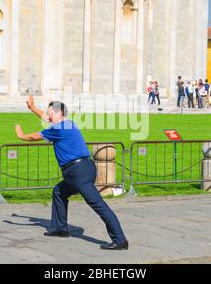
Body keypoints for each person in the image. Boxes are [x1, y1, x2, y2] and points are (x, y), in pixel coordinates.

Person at [15, 96, 129, 250]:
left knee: (98, 204)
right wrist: (32, 108)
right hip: (81, 170)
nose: (47, 116)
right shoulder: (68, 124)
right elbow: (47, 119)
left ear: (60, 114)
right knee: (59, 192)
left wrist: (22, 136)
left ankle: (120, 240)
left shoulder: (58, 128)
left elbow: (35, 136)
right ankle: (60, 228)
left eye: (50, 113)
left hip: (78, 173)